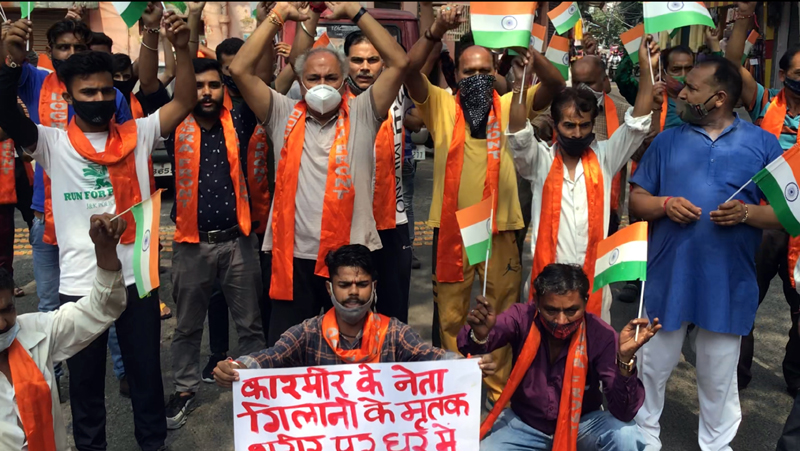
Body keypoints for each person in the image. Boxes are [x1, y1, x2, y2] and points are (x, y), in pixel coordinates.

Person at [0, 10, 197, 451]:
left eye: (107, 90)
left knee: (146, 376)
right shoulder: (51, 143)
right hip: (80, 287)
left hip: (137, 281)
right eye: (88, 92)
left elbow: (183, 100)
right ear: (69, 97)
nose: (99, 98)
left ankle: (153, 443)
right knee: (86, 387)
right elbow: (7, 114)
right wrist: (11, 61)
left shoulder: (139, 133)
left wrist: (182, 48)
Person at [404, 3, 565, 403]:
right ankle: (454, 393)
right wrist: (435, 31)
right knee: (452, 315)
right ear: (455, 76)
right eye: (467, 72)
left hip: (500, 228)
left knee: (501, 313)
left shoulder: (511, 106)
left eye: (483, 71)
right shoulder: (442, 105)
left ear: (495, 72)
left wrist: (527, 48)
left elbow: (556, 84)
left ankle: (498, 395)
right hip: (453, 230)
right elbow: (409, 73)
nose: (476, 78)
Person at [230, 1, 409, 345]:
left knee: (352, 350)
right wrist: (277, 16)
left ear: (344, 81)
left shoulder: (364, 113)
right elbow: (239, 70)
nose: (322, 85)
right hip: (293, 257)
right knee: (290, 350)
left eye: (331, 77)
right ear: (300, 81)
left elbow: (399, 61)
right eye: (313, 78)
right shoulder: (281, 113)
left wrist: (355, 12)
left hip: (350, 261)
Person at [629, 56, 785, 450]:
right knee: (652, 364)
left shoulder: (763, 144)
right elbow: (637, 201)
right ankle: (643, 437)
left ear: (718, 98)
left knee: (718, 373)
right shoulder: (667, 141)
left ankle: (717, 443)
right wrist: (665, 205)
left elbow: (787, 214)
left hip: (727, 281)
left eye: (692, 88)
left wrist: (747, 213)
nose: (682, 93)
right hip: (667, 276)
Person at [507, 37, 657, 322]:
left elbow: (637, 124)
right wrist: (519, 87)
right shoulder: (540, 161)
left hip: (594, 290)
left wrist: (647, 70)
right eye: (569, 126)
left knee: (594, 347)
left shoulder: (606, 156)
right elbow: (518, 134)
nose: (577, 133)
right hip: (546, 285)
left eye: (584, 126)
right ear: (555, 125)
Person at [163, 56, 267, 429]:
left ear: (224, 89)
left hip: (238, 242)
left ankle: (257, 389)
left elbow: (262, 76)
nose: (206, 92)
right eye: (198, 86)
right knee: (188, 326)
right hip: (191, 244)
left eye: (213, 85)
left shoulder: (239, 120)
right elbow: (151, 85)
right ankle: (185, 390)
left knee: (250, 324)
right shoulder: (172, 124)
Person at [212, 244, 494, 378]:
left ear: (374, 287)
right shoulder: (308, 333)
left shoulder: (394, 333)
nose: (354, 293)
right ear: (330, 289)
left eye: (362, 284)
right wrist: (238, 368)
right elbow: (272, 356)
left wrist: (470, 364)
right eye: (344, 285)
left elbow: (432, 357)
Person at [459, 263, 659, 450]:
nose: (561, 321)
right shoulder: (522, 317)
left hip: (582, 424)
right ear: (537, 301)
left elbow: (624, 412)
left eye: (571, 310)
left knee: (626, 435)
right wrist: (479, 335)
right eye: (551, 310)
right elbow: (471, 343)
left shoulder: (601, 334)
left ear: (585, 302)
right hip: (524, 424)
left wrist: (624, 360)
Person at [0, 214, 129, 451]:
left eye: (7, 310)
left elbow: (102, 309)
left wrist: (105, 252)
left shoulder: (33, 332)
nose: (2, 324)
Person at [725, 0, 800, 395]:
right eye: (799, 74)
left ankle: (796, 377)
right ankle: (735, 377)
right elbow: (732, 63)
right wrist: (742, 17)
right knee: (745, 298)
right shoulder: (766, 103)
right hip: (763, 222)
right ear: (783, 75)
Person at [344, 30, 414, 322]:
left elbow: (415, 59)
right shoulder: (332, 98)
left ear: (384, 63)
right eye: (357, 60)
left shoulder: (397, 89)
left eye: (373, 60)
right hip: (347, 223)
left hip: (391, 219)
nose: (364, 67)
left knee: (392, 313)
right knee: (350, 309)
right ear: (345, 62)